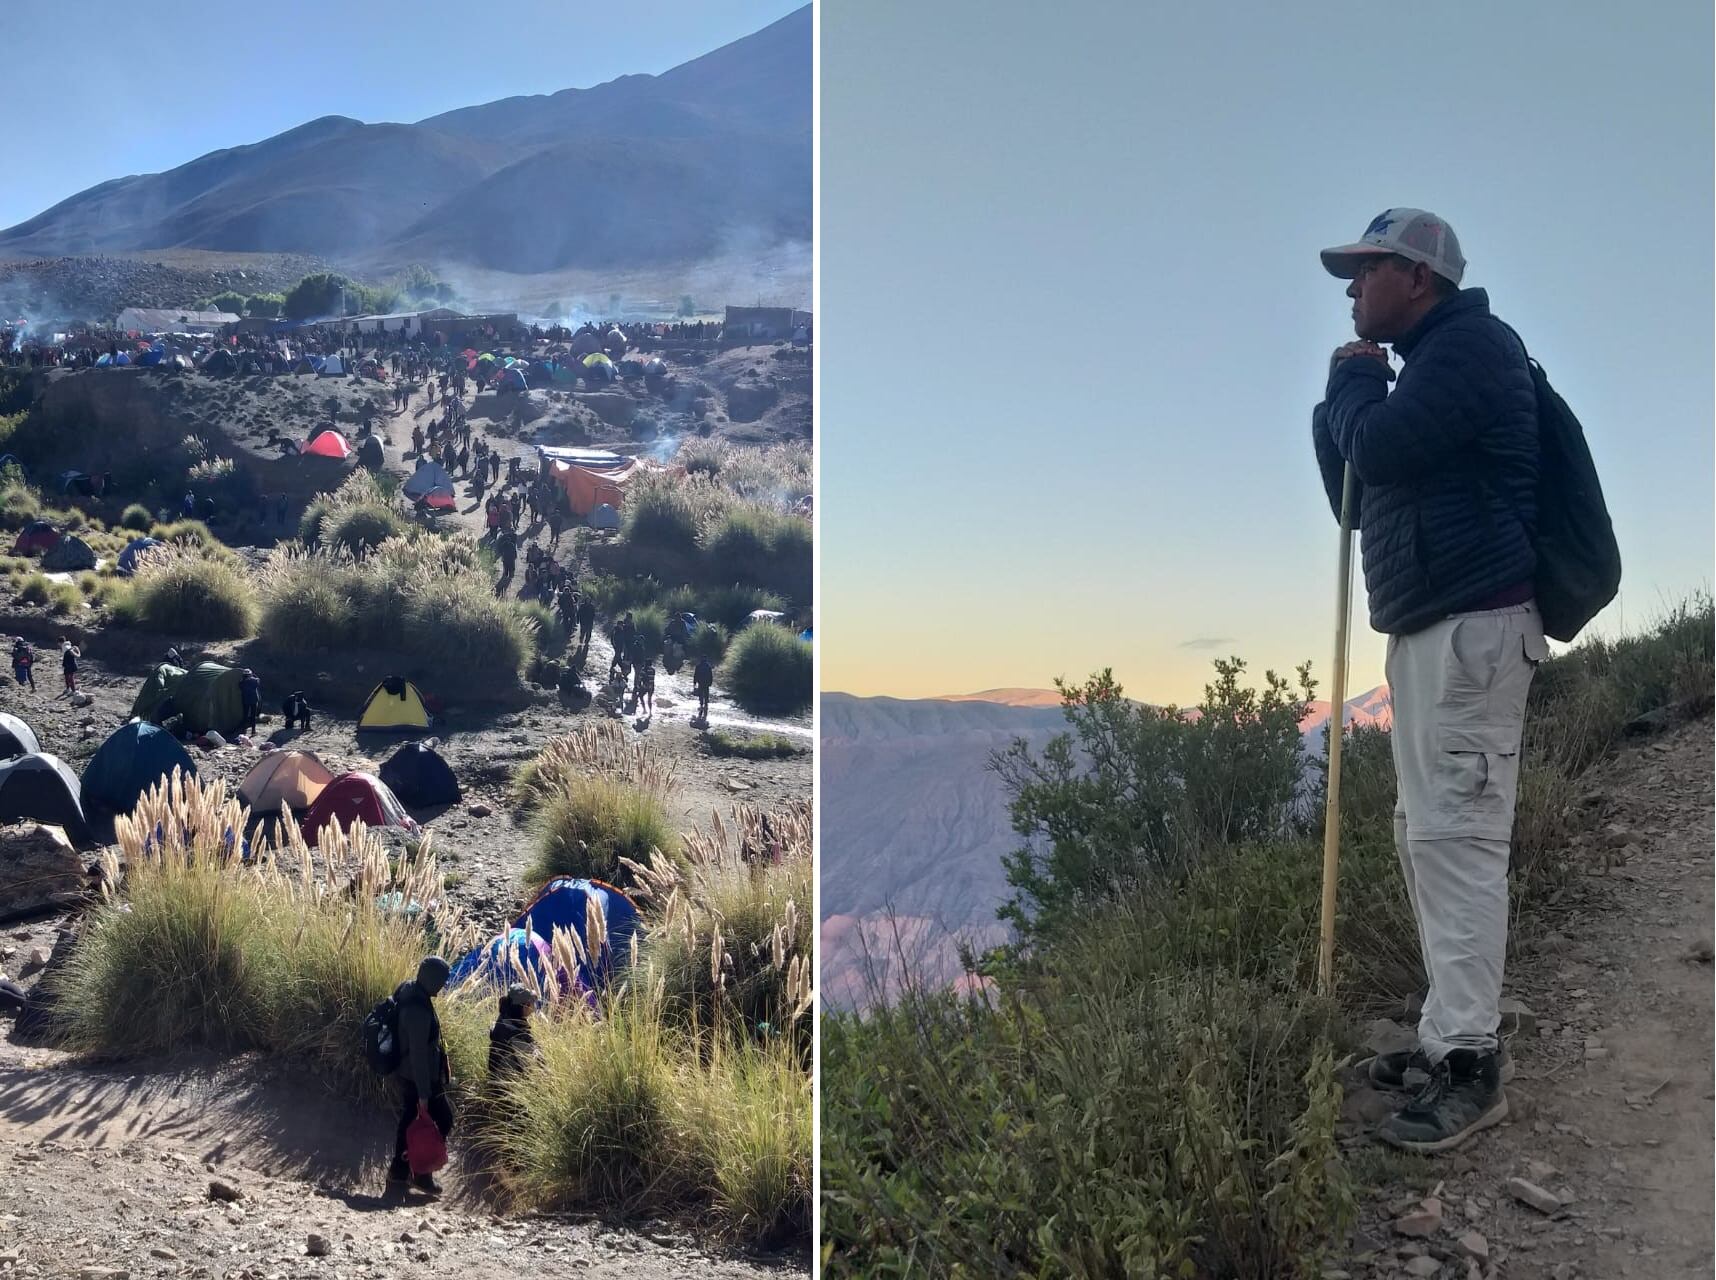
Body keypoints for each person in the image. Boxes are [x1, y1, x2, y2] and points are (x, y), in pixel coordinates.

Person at [1312, 209, 1544, 1154]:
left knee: (1455, 835)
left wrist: (1355, 387)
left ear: (1418, 278)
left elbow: (1381, 452)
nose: (1353, 290)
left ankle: (1470, 1067)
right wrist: (1342, 398)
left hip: (1472, 630)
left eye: (1366, 272)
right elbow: (1352, 499)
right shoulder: (1419, 372)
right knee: (1427, 834)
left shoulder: (1472, 349)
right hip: (1433, 630)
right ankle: (1445, 1034)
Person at [387, 956, 454, 1194]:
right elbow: (418, 1054)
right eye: (441, 981)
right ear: (432, 980)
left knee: (410, 1121)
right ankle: (419, 1174)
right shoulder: (417, 1010)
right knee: (442, 1120)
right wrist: (424, 1093)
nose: (443, 985)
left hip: (409, 1074)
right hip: (418, 1078)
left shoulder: (410, 990)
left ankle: (401, 1171)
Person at [487, 984, 539, 1080]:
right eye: (531, 1002)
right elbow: (532, 1068)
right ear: (525, 1006)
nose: (534, 1005)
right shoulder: (516, 1034)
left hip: (497, 1079)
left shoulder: (504, 1019)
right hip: (510, 1086)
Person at [239, 668, 261, 737]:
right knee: (253, 716)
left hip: (245, 700)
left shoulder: (241, 683)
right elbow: (258, 680)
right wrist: (253, 675)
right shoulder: (254, 681)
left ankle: (244, 730)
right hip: (254, 700)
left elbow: (240, 686)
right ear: (250, 675)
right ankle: (253, 731)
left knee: (245, 715)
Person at [693, 655, 713, 722]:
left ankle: (701, 704)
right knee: (706, 693)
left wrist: (694, 682)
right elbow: (711, 675)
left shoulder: (698, 666)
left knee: (701, 694)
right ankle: (706, 704)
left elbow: (695, 675)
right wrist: (710, 682)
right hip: (706, 683)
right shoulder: (708, 666)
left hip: (701, 682)